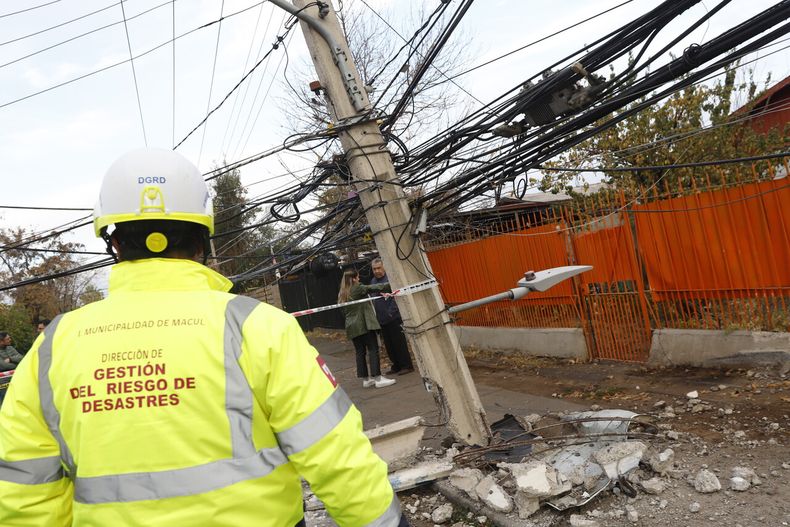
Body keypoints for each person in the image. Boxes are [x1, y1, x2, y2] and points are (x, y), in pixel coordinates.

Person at [0, 148, 406, 527]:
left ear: (114, 243)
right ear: (203, 239)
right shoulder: (258, 326)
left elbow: (22, 494)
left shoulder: (53, 347)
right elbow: (336, 457)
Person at [338, 270, 396, 389]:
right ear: (354, 279)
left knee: (360, 352)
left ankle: (366, 379)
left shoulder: (342, 293)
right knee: (373, 349)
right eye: (358, 277)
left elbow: (343, 311)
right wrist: (394, 284)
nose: (359, 279)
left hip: (351, 326)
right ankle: (378, 378)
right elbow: (375, 287)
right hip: (364, 324)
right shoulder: (357, 287)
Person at [369, 258, 414, 376]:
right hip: (382, 318)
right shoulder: (373, 282)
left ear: (383, 267)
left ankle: (406, 365)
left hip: (393, 317)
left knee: (399, 342)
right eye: (374, 269)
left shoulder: (390, 280)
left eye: (378, 268)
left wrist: (391, 312)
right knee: (389, 345)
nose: (376, 271)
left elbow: (396, 297)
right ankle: (396, 365)